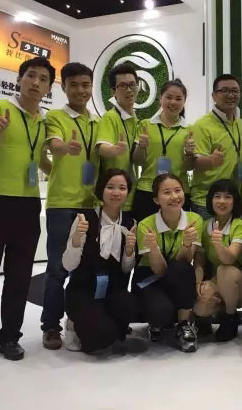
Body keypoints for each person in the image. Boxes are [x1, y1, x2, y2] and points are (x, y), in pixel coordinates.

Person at [0, 57, 54, 361]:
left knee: (19, 277)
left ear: (48, 87)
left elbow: (40, 160)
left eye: (43, 79)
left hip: (27, 204)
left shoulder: (43, 122)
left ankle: (10, 337)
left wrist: (61, 171)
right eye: (30, 76)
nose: (36, 83)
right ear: (19, 79)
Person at [40, 62, 100, 350]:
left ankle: (75, 321)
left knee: (83, 269)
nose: (80, 90)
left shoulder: (97, 123)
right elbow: (54, 145)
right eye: (73, 85)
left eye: (85, 85)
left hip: (91, 204)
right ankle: (51, 326)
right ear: (63, 87)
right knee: (57, 268)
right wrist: (64, 149)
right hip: (62, 204)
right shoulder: (54, 116)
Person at [62, 169, 139, 354]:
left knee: (131, 306)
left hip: (112, 290)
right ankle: (73, 324)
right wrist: (77, 238)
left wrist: (129, 251)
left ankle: (108, 325)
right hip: (83, 289)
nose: (116, 192)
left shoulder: (129, 223)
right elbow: (68, 265)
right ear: (101, 190)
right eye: (110, 187)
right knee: (98, 340)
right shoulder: (85, 219)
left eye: (122, 188)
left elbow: (126, 269)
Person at [133, 173, 203, 352]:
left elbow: (185, 262)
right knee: (160, 312)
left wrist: (187, 244)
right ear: (156, 200)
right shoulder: (145, 225)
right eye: (166, 192)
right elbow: (159, 270)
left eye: (178, 190)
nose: (174, 196)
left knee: (182, 269)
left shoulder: (194, 220)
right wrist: (153, 248)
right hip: (150, 276)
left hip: (178, 273)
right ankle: (157, 322)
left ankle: (184, 324)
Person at [193, 179, 242, 341]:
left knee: (225, 270)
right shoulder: (205, 226)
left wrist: (218, 244)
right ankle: (208, 318)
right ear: (210, 200)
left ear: (235, 202)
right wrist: (198, 284)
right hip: (217, 281)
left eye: (228, 197)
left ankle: (230, 317)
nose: (222, 201)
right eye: (217, 196)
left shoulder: (241, 226)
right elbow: (199, 261)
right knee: (201, 304)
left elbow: (229, 258)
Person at [132, 79, 195, 222]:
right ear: (160, 99)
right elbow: (137, 161)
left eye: (178, 98)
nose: (173, 102)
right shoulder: (145, 125)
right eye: (168, 97)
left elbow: (190, 167)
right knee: (146, 233)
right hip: (148, 190)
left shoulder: (189, 130)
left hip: (178, 193)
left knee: (177, 234)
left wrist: (189, 153)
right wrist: (141, 147)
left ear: (184, 102)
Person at [191, 74, 242, 221]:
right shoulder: (202, 125)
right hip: (206, 201)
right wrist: (211, 160)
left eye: (235, 91)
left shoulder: (239, 123)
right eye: (225, 90)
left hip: (231, 198)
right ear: (214, 96)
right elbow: (195, 163)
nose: (231, 95)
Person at [96, 63, 140, 217]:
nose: (129, 90)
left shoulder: (136, 120)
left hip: (129, 193)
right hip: (112, 197)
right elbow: (101, 147)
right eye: (122, 86)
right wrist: (115, 150)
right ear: (113, 91)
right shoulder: (110, 117)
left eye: (132, 85)